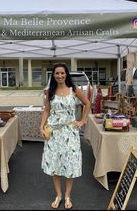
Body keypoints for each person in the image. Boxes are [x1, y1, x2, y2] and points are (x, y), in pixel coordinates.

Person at [40, 63, 91, 209]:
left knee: (70, 164)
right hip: (54, 133)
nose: (60, 76)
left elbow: (87, 104)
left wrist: (83, 121)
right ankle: (59, 195)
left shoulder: (73, 90)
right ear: (53, 75)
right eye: (57, 73)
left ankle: (68, 195)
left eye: (62, 73)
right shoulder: (49, 92)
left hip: (70, 133)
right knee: (55, 164)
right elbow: (46, 111)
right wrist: (41, 126)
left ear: (66, 74)